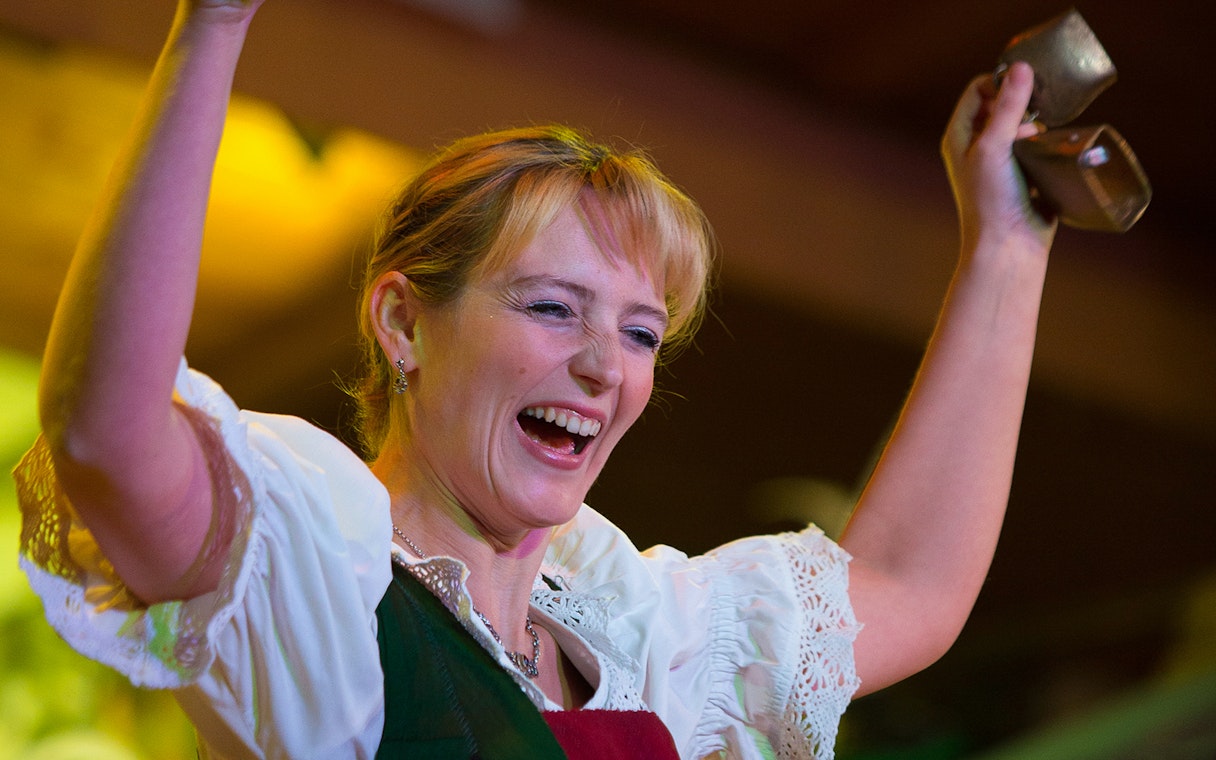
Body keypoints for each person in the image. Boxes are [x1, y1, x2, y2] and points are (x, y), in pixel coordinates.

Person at [13, 0, 1056, 758]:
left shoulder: (643, 635)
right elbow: (109, 435)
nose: (604, 367)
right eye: (553, 308)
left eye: (641, 333)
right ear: (402, 322)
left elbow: (908, 586)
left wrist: (1008, 244)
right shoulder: (321, 575)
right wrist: (216, 21)